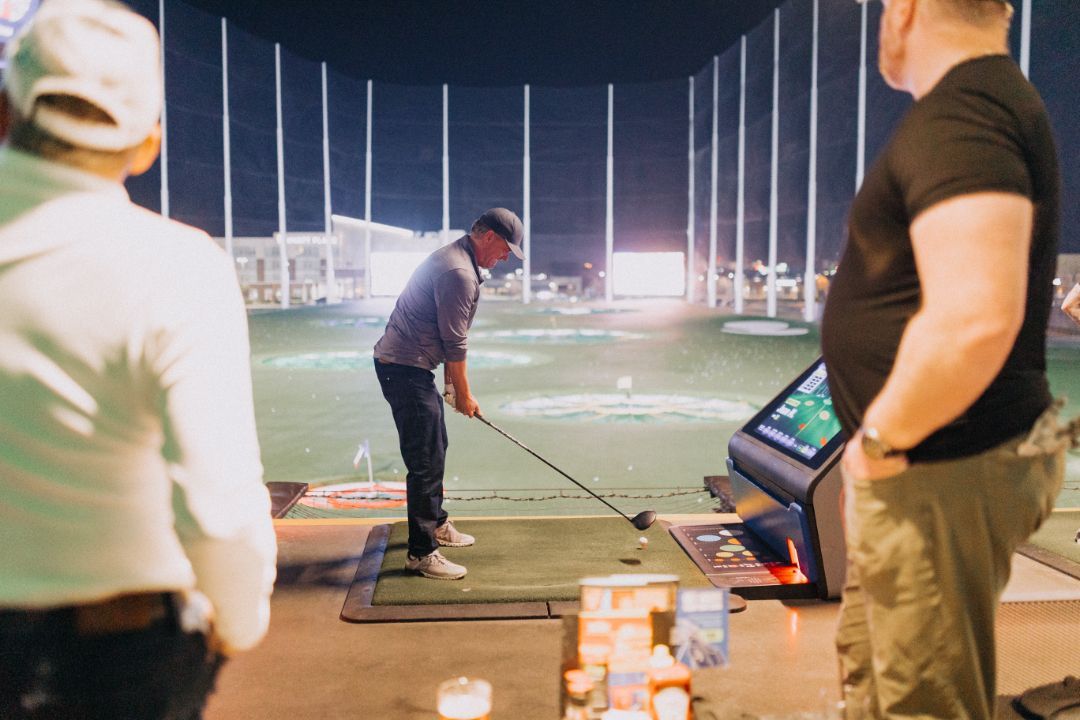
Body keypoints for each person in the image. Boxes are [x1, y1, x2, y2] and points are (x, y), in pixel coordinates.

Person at [0, 1, 277, 718]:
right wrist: (237, 623)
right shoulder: (176, 266)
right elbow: (218, 508)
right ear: (149, 142)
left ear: (5, 110)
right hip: (118, 661)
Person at [821, 0, 1071, 717]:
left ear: (906, 9)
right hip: (926, 466)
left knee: (920, 704)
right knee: (880, 684)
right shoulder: (976, 104)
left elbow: (974, 320)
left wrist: (878, 442)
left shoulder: (967, 113)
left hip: (937, 464)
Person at [373, 208, 524, 580]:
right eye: (505, 248)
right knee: (424, 458)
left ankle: (436, 523)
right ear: (487, 236)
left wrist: (452, 390)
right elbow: (455, 344)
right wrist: (464, 395)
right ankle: (421, 553)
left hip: (412, 365)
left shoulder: (461, 259)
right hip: (404, 369)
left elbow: (443, 336)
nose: (506, 257)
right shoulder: (458, 271)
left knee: (435, 445)